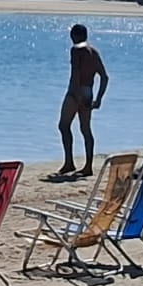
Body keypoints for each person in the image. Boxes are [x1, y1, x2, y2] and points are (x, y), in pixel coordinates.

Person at [57, 23, 109, 177]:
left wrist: (76, 94)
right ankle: (88, 166)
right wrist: (99, 98)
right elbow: (104, 77)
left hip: (76, 92)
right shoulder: (94, 52)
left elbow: (76, 73)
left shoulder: (76, 50)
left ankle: (69, 162)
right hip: (89, 92)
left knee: (63, 125)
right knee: (85, 129)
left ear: (76, 36)